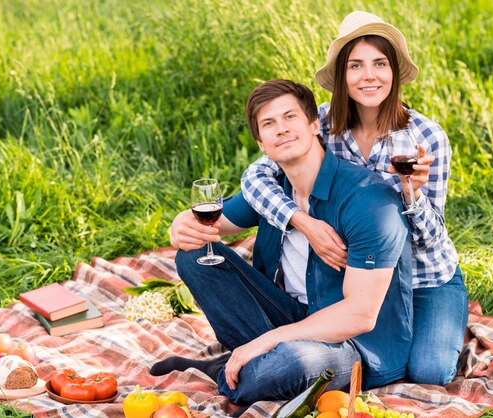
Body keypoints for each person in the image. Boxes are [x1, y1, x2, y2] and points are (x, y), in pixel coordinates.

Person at [241, 11, 468, 386]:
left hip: (425, 278)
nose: (369, 76)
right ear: (342, 77)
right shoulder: (323, 124)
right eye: (356, 65)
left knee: (428, 372)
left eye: (380, 63)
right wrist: (303, 221)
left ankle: (448, 317)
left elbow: (434, 237)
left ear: (394, 72)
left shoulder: (425, 137)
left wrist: (413, 196)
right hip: (365, 274)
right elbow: (256, 176)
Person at [150, 79, 413, 404]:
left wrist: (268, 340)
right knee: (193, 256)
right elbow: (208, 222)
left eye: (290, 117)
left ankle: (227, 371)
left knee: (293, 364)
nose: (282, 129)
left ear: (315, 124)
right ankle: (254, 365)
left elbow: (360, 314)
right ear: (261, 142)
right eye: (269, 124)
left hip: (354, 343)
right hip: (290, 315)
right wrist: (179, 226)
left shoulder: (369, 201)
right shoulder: (270, 191)